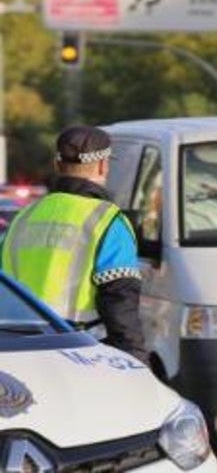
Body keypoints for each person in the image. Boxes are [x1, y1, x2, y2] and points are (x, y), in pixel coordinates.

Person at [0, 125, 147, 362]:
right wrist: (136, 361)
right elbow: (120, 301)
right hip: (82, 354)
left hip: (17, 353)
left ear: (58, 166)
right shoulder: (107, 220)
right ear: (103, 165)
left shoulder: (23, 217)